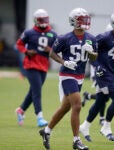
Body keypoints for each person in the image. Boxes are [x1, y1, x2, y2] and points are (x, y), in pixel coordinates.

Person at [39, 8, 97, 150]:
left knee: (65, 108)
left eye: (85, 19)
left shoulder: (91, 38)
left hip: (80, 77)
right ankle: (76, 141)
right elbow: (52, 53)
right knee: (77, 106)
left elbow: (95, 58)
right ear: (74, 21)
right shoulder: (64, 38)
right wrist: (64, 62)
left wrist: (91, 53)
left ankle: (46, 131)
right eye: (81, 19)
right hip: (67, 75)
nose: (85, 22)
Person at [80, 10, 114, 142]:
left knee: (101, 100)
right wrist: (96, 66)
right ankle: (106, 127)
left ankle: (85, 126)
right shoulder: (104, 37)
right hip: (103, 73)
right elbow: (91, 53)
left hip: (112, 73)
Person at [15, 9, 57, 127]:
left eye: (45, 19)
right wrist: (26, 51)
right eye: (41, 19)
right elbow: (19, 44)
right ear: (36, 20)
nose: (44, 22)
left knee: (33, 90)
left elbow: (58, 47)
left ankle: (21, 110)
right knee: (37, 90)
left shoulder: (52, 34)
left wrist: (51, 50)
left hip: (43, 66)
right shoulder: (29, 32)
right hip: (31, 65)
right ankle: (39, 117)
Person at [81, 23, 113, 126]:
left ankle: (88, 96)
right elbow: (93, 58)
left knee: (105, 96)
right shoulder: (101, 42)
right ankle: (101, 119)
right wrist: (96, 71)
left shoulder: (113, 43)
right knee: (104, 95)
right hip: (98, 72)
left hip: (106, 73)